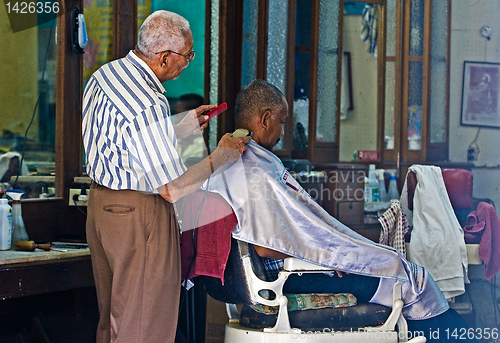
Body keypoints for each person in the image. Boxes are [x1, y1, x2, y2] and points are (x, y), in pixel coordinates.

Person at [205, 79, 480, 343]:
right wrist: (327, 259)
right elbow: (265, 246)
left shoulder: (223, 164)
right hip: (287, 277)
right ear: (265, 119)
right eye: (281, 123)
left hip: (276, 274)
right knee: (403, 279)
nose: (281, 133)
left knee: (394, 270)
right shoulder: (255, 173)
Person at [81, 10, 251, 343]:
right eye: (187, 56)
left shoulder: (106, 75)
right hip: (139, 215)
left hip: (102, 208)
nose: (187, 62)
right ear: (163, 58)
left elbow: (127, 141)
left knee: (116, 322)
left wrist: (179, 128)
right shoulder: (149, 100)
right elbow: (171, 189)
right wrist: (221, 157)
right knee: (144, 327)